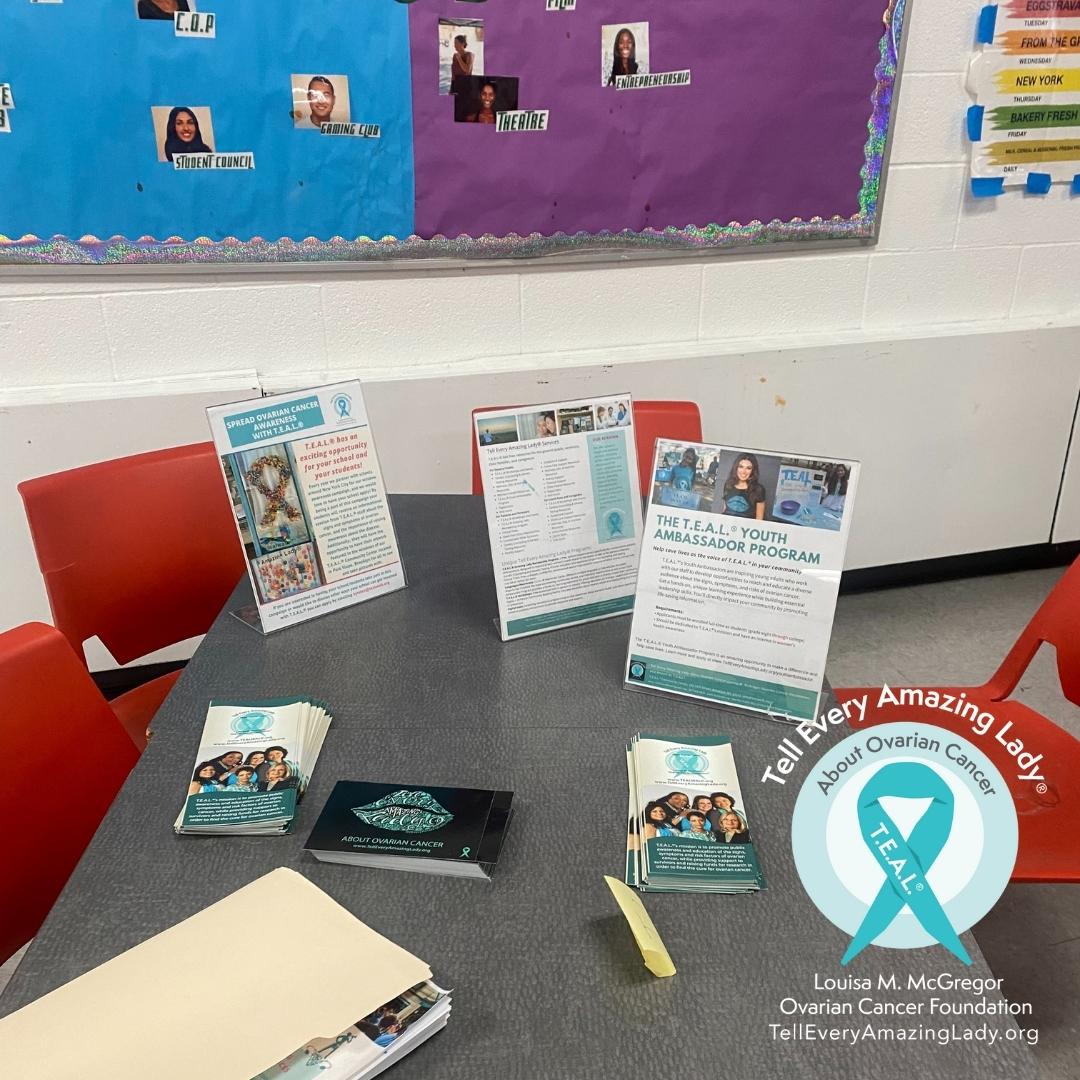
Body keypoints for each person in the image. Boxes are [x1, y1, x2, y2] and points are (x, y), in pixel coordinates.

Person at [717, 453, 766, 520]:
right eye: (741, 466)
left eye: (748, 468)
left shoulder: (758, 489)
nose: (743, 472)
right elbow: (725, 509)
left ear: (753, 471)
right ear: (736, 468)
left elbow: (759, 519)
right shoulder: (728, 484)